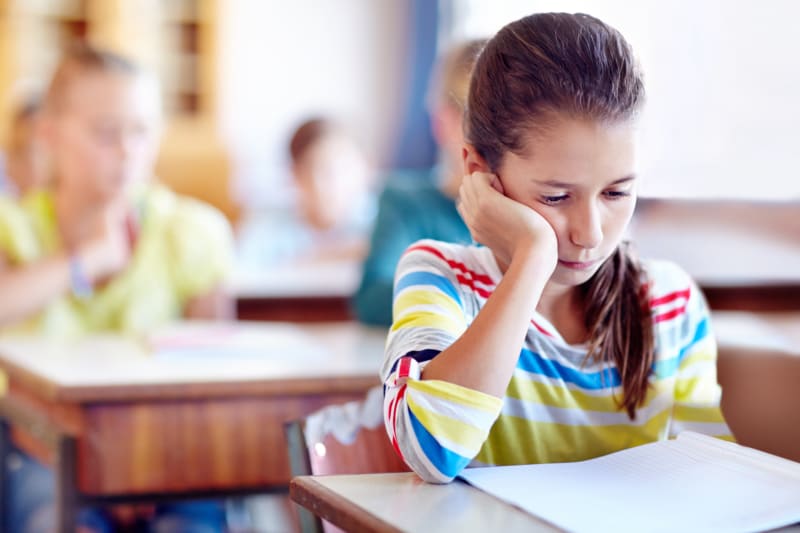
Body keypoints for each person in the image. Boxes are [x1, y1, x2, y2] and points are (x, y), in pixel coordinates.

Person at [381, 12, 731, 484]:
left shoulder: (671, 304)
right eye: (555, 197)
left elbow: (710, 480)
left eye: (616, 193)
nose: (589, 234)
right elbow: (431, 451)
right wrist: (533, 256)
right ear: (478, 171)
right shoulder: (440, 276)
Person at [0, 44, 232, 532]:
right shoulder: (13, 228)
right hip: (43, 455)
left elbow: (217, 379)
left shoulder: (191, 231)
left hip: (173, 463)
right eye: (106, 133)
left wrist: (142, 471)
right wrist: (85, 261)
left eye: (142, 131)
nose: (127, 150)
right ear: (49, 134)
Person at [352, 40, 485, 326]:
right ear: (444, 122)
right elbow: (372, 299)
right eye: (479, 124)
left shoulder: (533, 208)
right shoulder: (405, 201)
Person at [236, 117, 374, 268]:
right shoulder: (268, 224)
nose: (332, 183)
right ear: (294, 174)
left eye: (343, 169)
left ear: (365, 170)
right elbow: (244, 267)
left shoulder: (384, 220)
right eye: (318, 169)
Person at [0, 98, 48, 196]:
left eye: (37, 127)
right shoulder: (3, 160)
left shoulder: (46, 164)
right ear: (17, 125)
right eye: (29, 125)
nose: (33, 132)